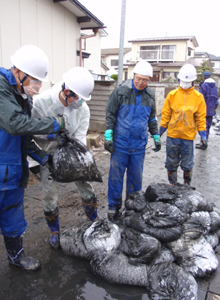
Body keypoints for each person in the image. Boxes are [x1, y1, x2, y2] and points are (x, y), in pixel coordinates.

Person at [0, 44, 65, 271]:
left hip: (13, 173)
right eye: (33, 80)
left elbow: (24, 137)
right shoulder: (1, 88)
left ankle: (16, 257)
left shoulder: (22, 96)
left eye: (40, 81)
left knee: (13, 220)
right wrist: (54, 124)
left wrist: (42, 157)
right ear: (18, 71)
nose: (37, 87)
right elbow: (15, 124)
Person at [31, 67, 98, 250]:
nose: (81, 103)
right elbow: (31, 132)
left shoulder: (82, 109)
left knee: (85, 182)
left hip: (70, 149)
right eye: (78, 98)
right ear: (67, 92)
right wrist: (49, 136)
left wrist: (81, 157)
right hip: (47, 152)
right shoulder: (41, 103)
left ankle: (93, 218)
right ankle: (54, 230)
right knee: (49, 192)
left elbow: (80, 136)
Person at [104, 60, 161, 220]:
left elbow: (151, 118)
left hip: (139, 144)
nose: (141, 82)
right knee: (116, 176)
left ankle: (132, 205)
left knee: (136, 177)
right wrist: (108, 133)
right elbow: (111, 114)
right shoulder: (120, 92)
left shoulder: (150, 95)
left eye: (145, 80)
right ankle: (114, 206)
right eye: (139, 78)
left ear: (149, 80)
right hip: (120, 144)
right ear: (133, 76)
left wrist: (155, 134)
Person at [159, 64, 207, 186]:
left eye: (188, 81)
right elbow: (166, 114)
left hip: (188, 137)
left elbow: (201, 117)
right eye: (183, 80)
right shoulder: (172, 95)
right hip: (172, 136)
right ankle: (172, 185)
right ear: (179, 79)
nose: (185, 83)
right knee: (171, 162)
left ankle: (187, 185)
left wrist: (203, 134)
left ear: (193, 81)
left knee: (187, 164)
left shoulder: (198, 97)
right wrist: (160, 130)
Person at [196, 71, 219, 149]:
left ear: (203, 77)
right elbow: (216, 100)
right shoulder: (214, 86)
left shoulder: (204, 86)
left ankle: (203, 143)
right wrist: (213, 109)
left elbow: (200, 99)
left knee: (202, 127)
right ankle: (205, 142)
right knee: (207, 127)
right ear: (211, 77)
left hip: (204, 110)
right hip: (211, 111)